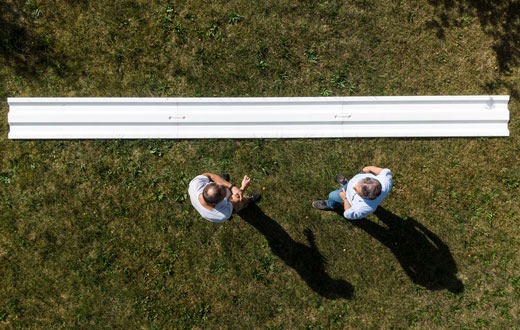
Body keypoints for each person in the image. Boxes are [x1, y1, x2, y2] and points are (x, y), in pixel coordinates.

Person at [312, 166, 392, 220]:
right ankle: (346, 184)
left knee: (332, 195)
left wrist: (345, 198)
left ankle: (331, 205)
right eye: (361, 181)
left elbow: (348, 214)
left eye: (356, 189)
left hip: (348, 197)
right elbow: (386, 171)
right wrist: (369, 168)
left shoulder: (364, 208)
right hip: (351, 192)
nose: (354, 186)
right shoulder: (385, 181)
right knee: (351, 183)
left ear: (365, 197)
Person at [188, 172, 260, 223]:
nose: (225, 187)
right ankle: (248, 201)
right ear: (217, 202)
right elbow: (236, 199)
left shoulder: (196, 184)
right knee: (240, 203)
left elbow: (209, 175)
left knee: (222, 183)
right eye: (225, 192)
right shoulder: (222, 213)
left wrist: (232, 187)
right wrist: (243, 187)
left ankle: (223, 180)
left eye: (221, 186)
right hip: (226, 210)